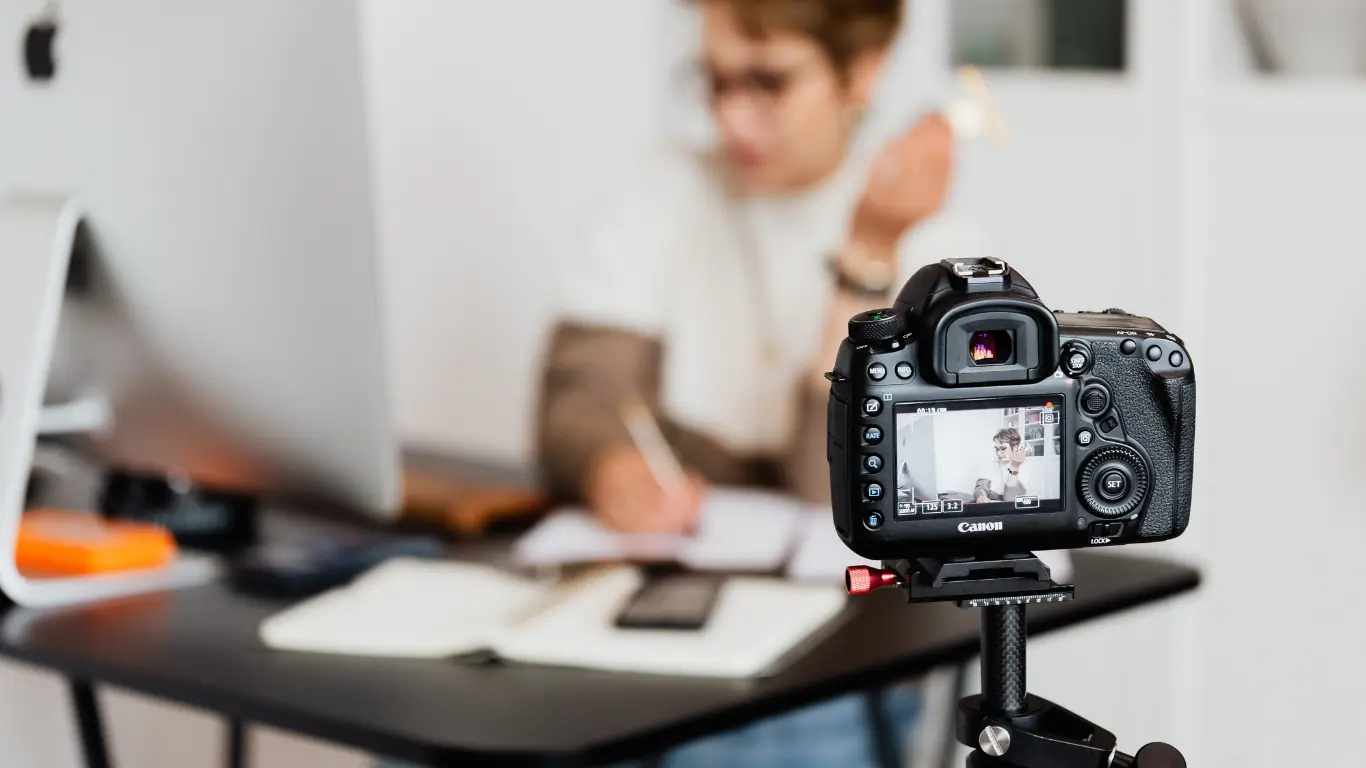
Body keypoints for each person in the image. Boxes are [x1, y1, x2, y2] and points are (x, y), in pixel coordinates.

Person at [533, 0, 984, 765]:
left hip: (837, 664)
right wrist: (609, 467)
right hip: (657, 626)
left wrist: (867, 253)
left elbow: (836, 499)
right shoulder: (666, 189)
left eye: (768, 83)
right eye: (714, 83)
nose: (734, 120)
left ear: (861, 71)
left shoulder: (944, 252)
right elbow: (578, 402)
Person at [974, 427, 1029, 503]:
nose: (998, 453)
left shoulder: (1024, 468)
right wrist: (980, 496)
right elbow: (980, 488)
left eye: (1003, 448)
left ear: (1015, 448)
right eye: (997, 449)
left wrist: (1014, 467)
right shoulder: (990, 464)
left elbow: (1011, 499)